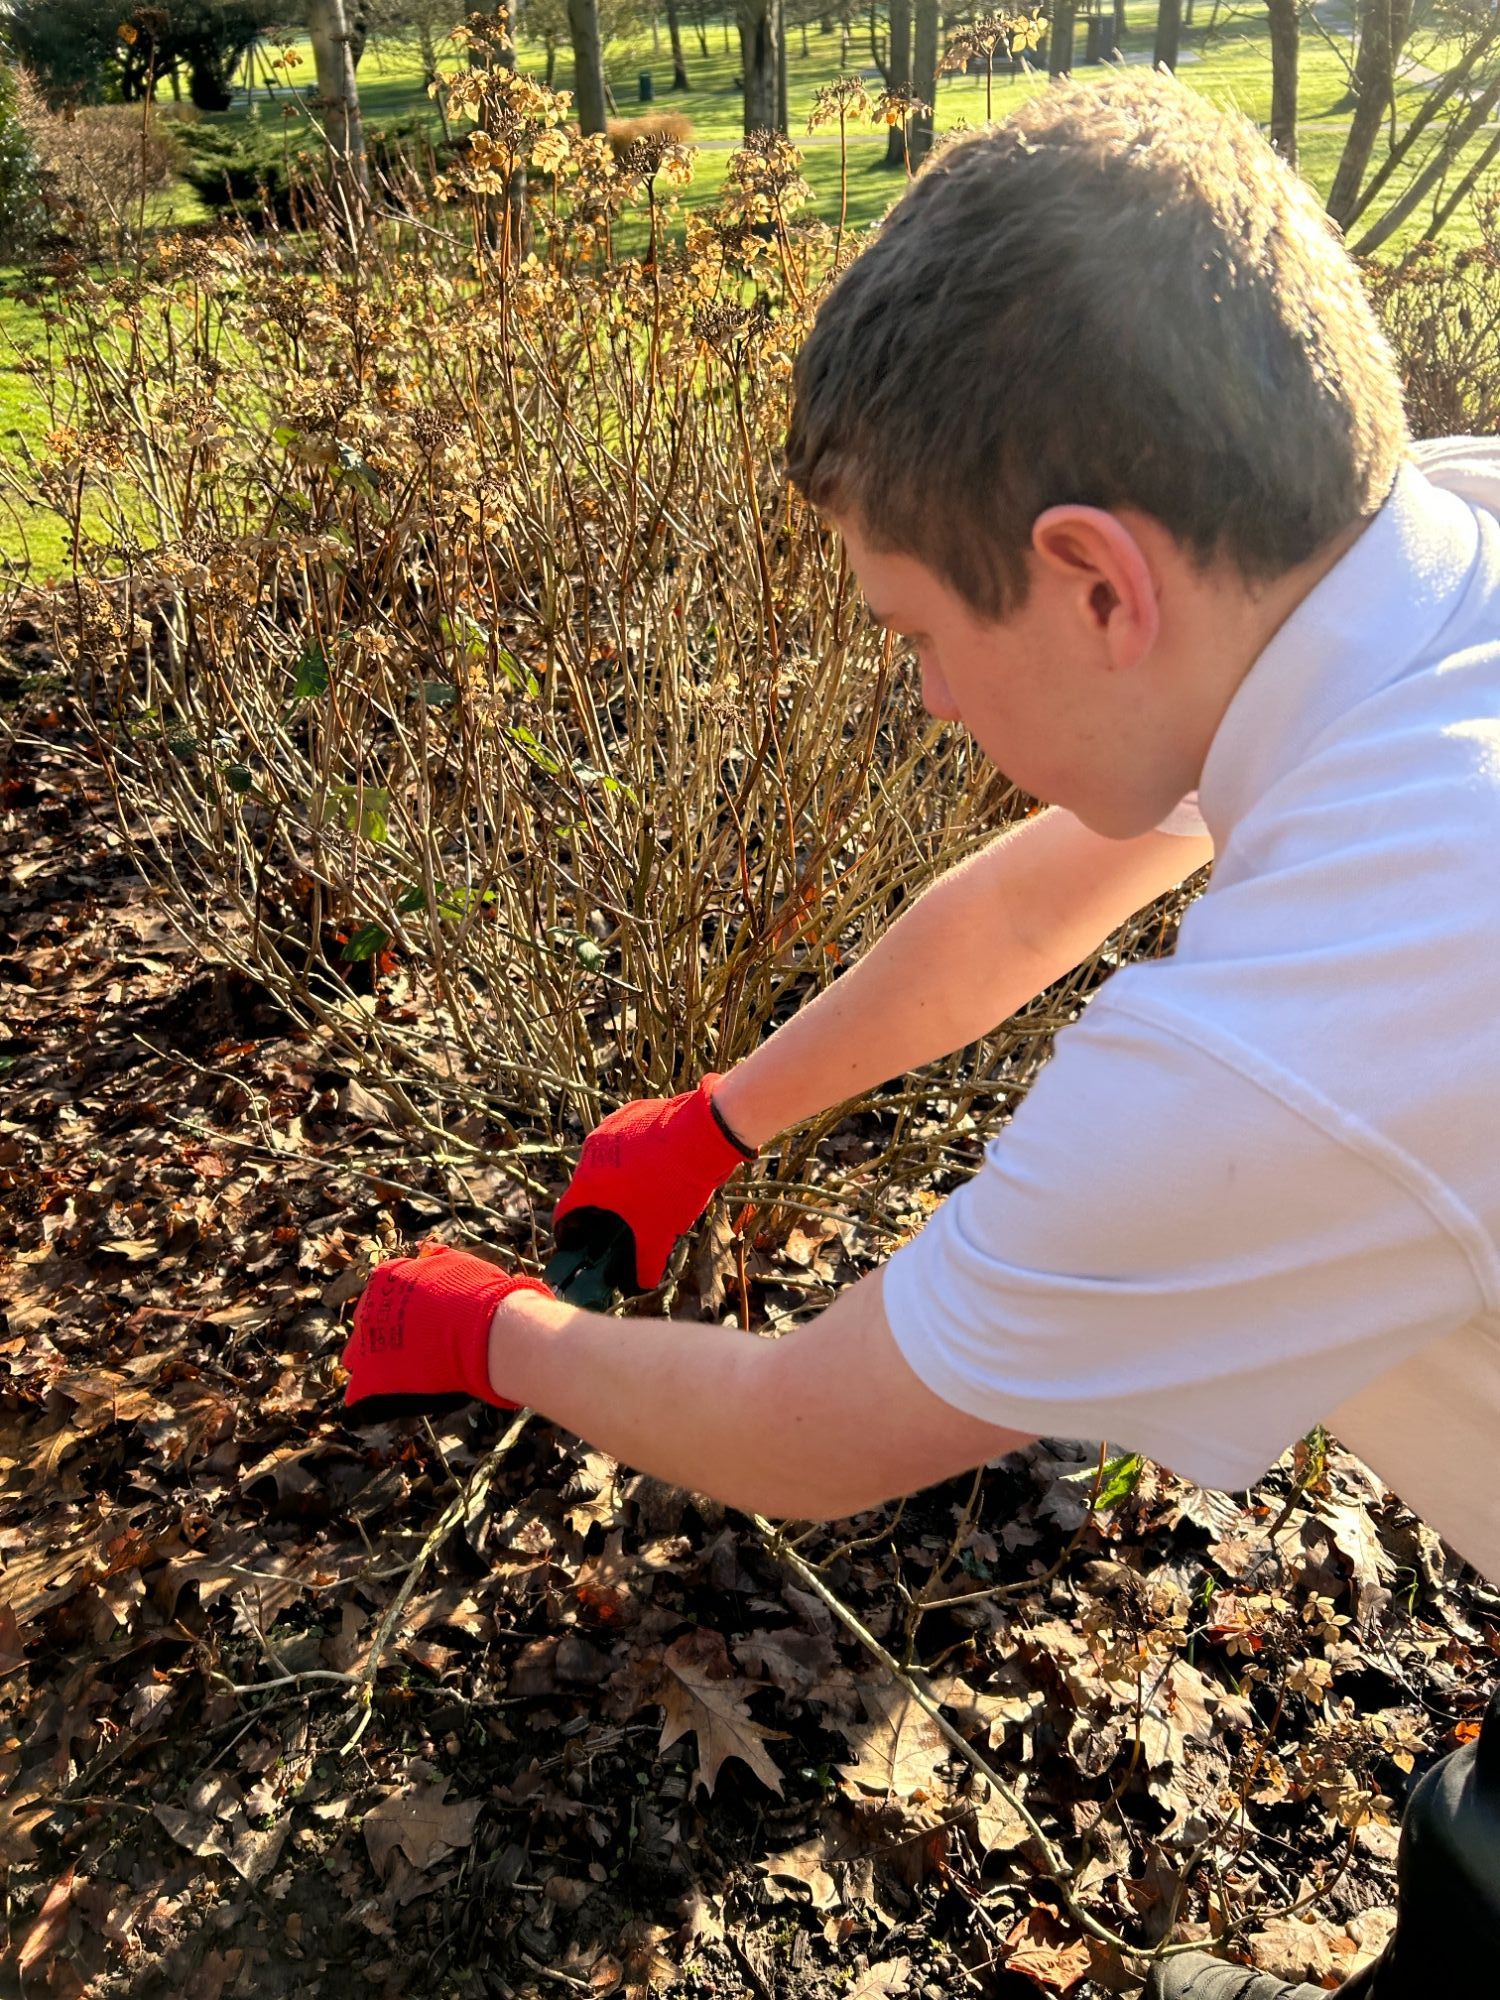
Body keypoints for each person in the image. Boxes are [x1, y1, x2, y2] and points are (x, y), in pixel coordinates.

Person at [340, 72, 1500, 1997]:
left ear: (1095, 580)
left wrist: (494, 1333)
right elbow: (1055, 886)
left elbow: (811, 1430)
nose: (929, 701)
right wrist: (718, 1117)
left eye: (913, 635)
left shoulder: (1293, 1045)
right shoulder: (1430, 547)